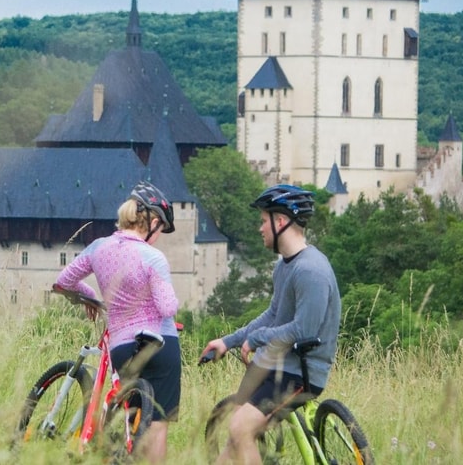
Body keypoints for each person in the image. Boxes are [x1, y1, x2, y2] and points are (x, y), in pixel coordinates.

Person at [199, 185, 341, 465]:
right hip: (278, 367)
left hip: (300, 373)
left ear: (280, 222)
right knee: (237, 436)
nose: (259, 228)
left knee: (240, 428)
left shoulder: (310, 270)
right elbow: (272, 315)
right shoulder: (285, 266)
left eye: (263, 220)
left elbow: (305, 331)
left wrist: (260, 338)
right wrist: (229, 341)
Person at [54, 181, 181, 463]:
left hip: (122, 346)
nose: (159, 236)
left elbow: (63, 282)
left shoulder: (99, 248)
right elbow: (167, 306)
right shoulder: (152, 257)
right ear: (153, 221)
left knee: (132, 416)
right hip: (162, 343)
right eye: (161, 230)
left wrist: (90, 298)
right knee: (157, 425)